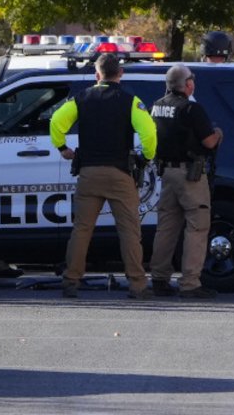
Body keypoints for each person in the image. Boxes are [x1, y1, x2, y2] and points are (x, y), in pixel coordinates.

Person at [50, 52, 157, 299]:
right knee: (129, 230)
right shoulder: (130, 101)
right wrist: (145, 157)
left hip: (88, 173)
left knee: (82, 229)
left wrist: (62, 148)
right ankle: (138, 285)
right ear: (121, 74)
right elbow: (149, 133)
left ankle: (71, 281)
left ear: (97, 75)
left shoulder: (81, 98)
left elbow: (56, 121)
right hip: (120, 173)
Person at [148, 64, 223, 298]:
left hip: (166, 174)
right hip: (189, 175)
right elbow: (209, 142)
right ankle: (190, 283)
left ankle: (159, 278)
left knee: (167, 227)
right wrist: (219, 133)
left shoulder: (157, 107)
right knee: (197, 226)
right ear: (187, 84)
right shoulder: (191, 109)